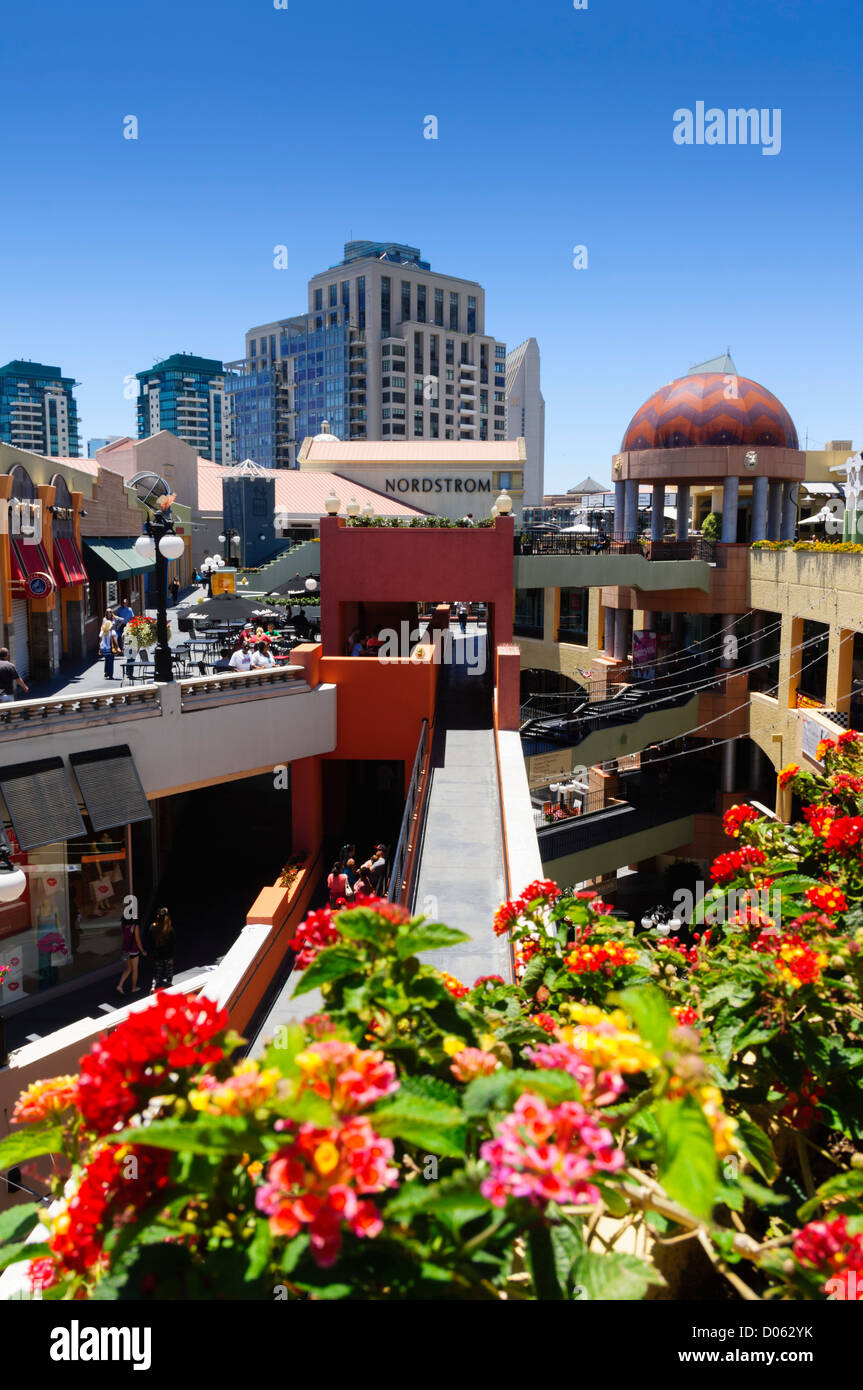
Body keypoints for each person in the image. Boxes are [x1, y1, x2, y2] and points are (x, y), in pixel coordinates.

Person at [117, 917, 146, 994]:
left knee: (129, 968)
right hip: (133, 951)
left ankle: (120, 985)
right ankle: (133, 988)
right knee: (135, 969)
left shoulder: (123, 925)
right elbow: (137, 940)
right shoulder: (135, 926)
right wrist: (142, 950)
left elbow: (124, 937)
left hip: (125, 950)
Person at [149, 907, 175, 992]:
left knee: (157, 972)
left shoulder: (152, 927)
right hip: (168, 955)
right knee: (169, 972)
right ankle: (168, 985)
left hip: (157, 955)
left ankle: (153, 987)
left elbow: (150, 941)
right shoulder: (169, 929)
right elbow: (173, 942)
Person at [100, 613, 121, 679]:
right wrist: (117, 647)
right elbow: (115, 640)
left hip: (103, 648)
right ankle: (110, 674)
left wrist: (99, 649)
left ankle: (106, 672)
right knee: (111, 661)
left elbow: (100, 641)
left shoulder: (102, 632)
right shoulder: (112, 632)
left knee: (106, 660)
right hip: (110, 648)